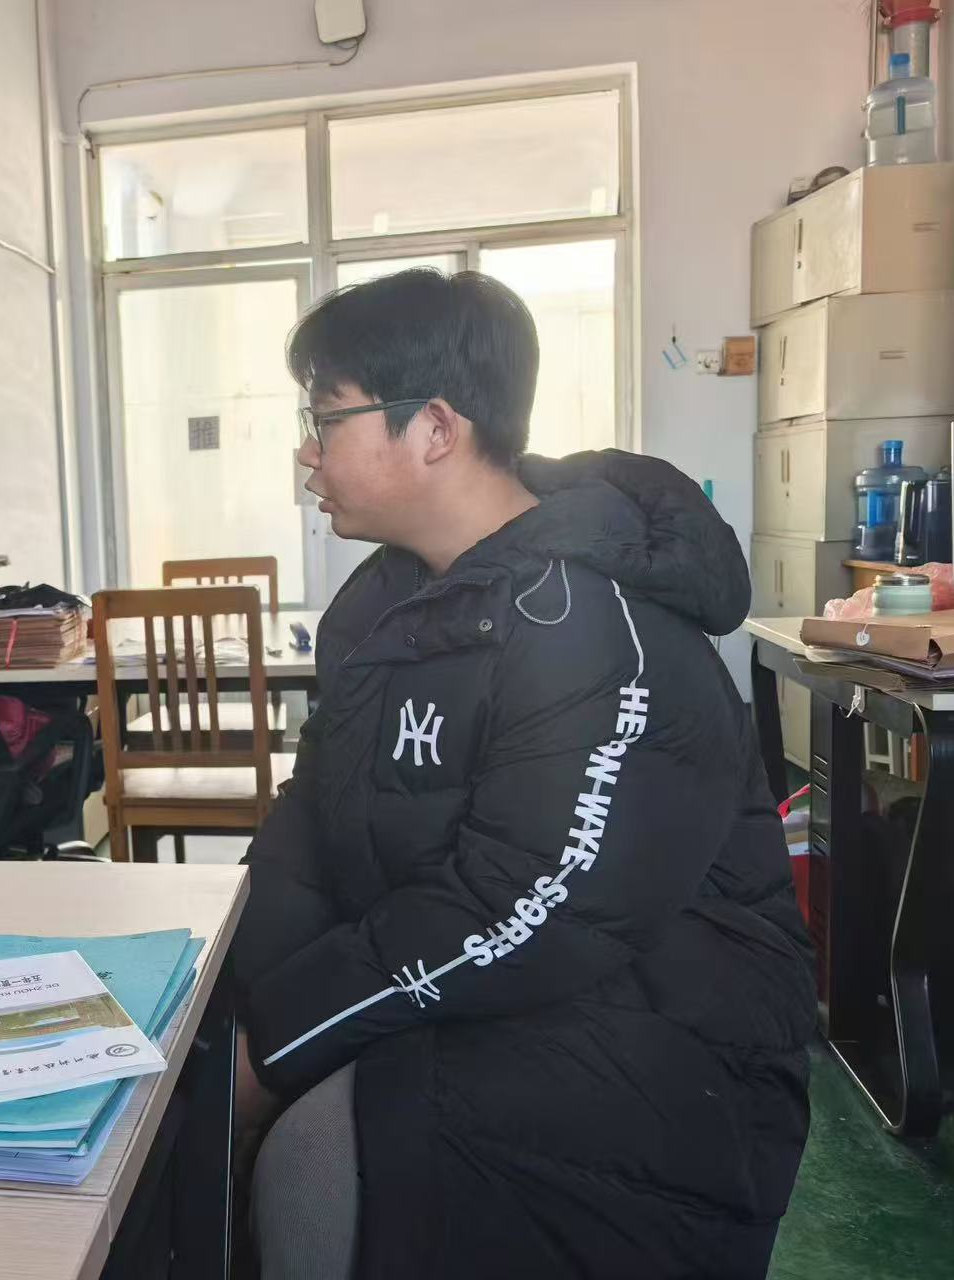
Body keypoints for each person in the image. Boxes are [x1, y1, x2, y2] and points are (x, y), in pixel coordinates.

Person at [233, 270, 814, 1279]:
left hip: (652, 1038)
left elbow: (521, 907)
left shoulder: (596, 625)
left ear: (435, 428)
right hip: (482, 986)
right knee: (186, 1106)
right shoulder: (381, 604)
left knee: (317, 1168)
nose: (306, 451)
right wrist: (227, 1004)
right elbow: (309, 830)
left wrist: (275, 1048)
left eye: (325, 417)